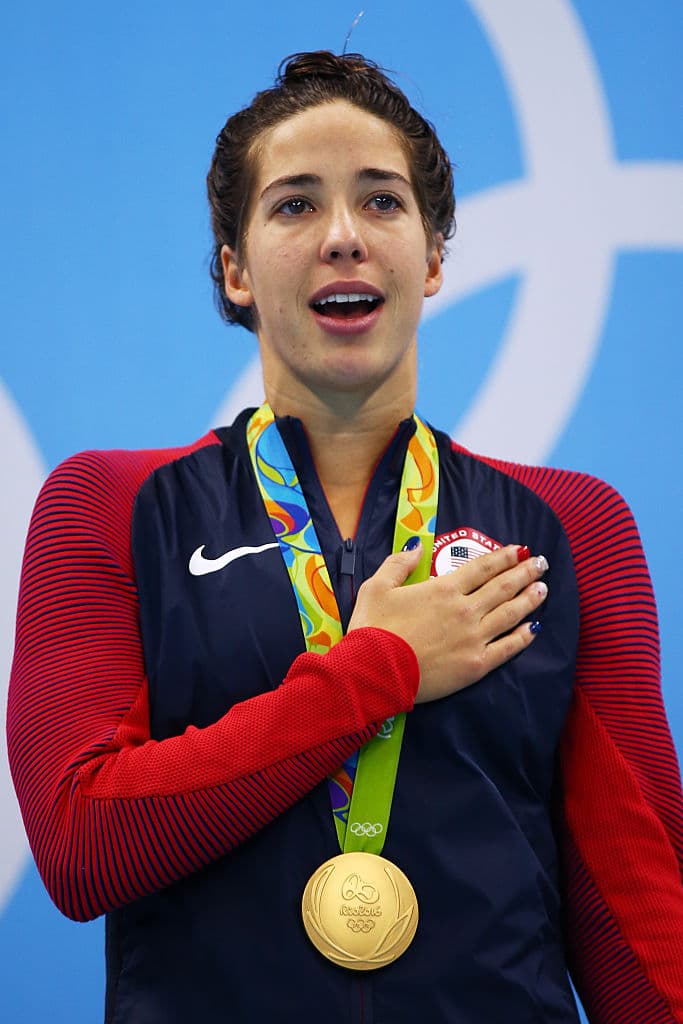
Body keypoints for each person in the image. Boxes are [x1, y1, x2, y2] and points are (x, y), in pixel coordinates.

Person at [7, 50, 683, 1024]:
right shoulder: (108, 505)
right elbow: (81, 839)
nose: (340, 238)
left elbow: (635, 913)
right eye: (292, 205)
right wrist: (380, 669)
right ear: (233, 270)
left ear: (436, 257)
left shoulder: (571, 525)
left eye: (380, 202)